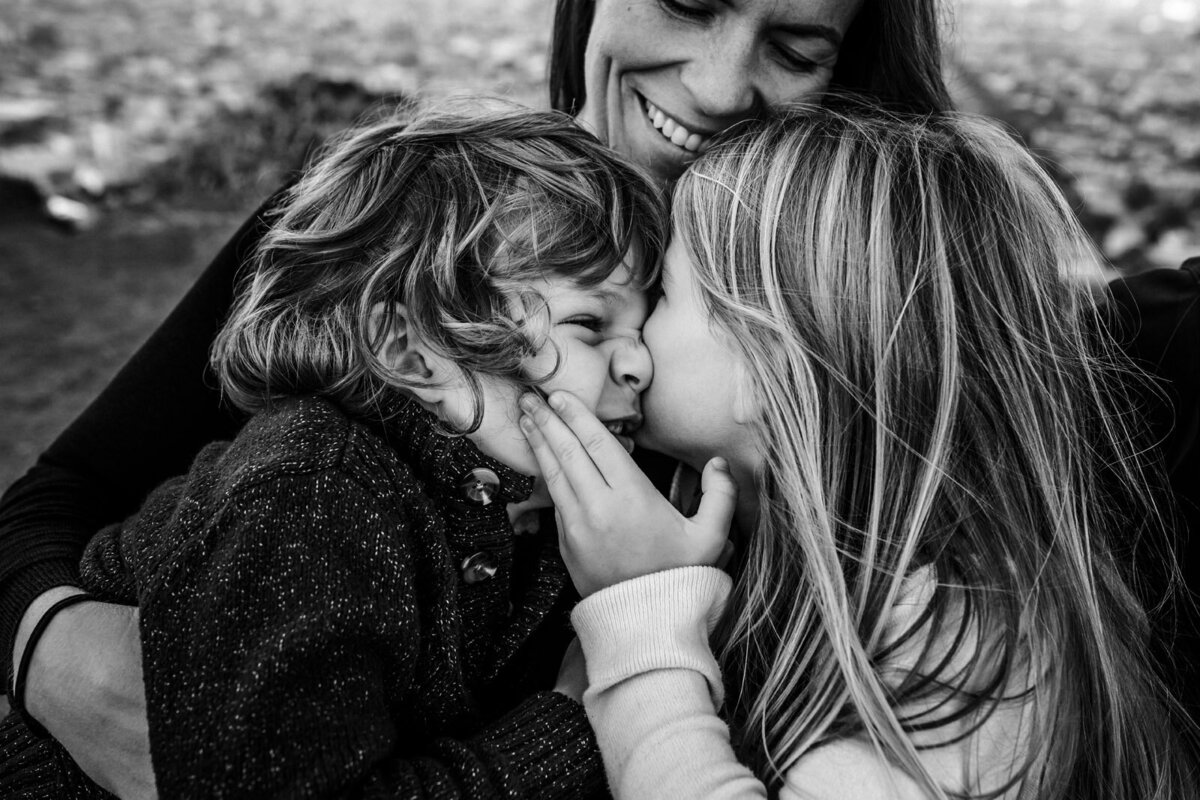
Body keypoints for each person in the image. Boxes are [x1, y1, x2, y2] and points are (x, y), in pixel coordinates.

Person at [0, 0, 1196, 795]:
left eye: (795, 44)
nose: (722, 85)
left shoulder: (892, 320)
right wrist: (72, 667)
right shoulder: (405, 239)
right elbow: (50, 506)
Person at [519, 102, 1196, 799]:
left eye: (661, 295)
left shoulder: (962, 643)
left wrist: (642, 621)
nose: (629, 346)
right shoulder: (797, 555)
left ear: (770, 367)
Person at [0, 102, 668, 799]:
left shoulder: (514, 502)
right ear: (409, 350)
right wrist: (566, 733)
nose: (640, 364)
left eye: (643, 326)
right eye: (591, 323)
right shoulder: (310, 498)